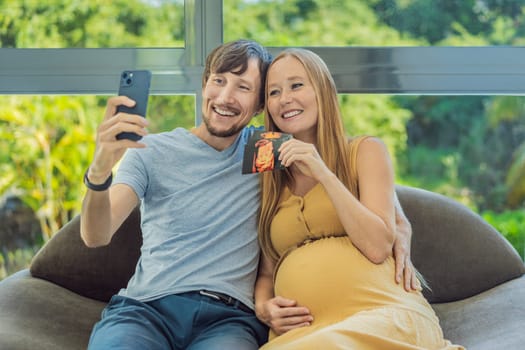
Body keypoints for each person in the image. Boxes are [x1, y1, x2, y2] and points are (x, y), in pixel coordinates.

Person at [81, 39, 416, 349]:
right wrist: (99, 170)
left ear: (259, 107)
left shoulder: (262, 150)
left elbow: (336, 160)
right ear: (204, 85)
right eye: (219, 81)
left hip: (227, 318)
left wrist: (399, 219)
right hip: (147, 308)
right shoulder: (150, 151)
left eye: (244, 88)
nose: (226, 97)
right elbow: (97, 235)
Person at [254, 48, 464, 349]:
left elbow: (378, 247)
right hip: (302, 334)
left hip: (379, 314)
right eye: (273, 92)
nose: (284, 98)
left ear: (323, 90)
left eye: (297, 85)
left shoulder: (365, 151)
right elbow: (266, 274)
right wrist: (265, 309)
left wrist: (323, 172)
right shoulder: (270, 178)